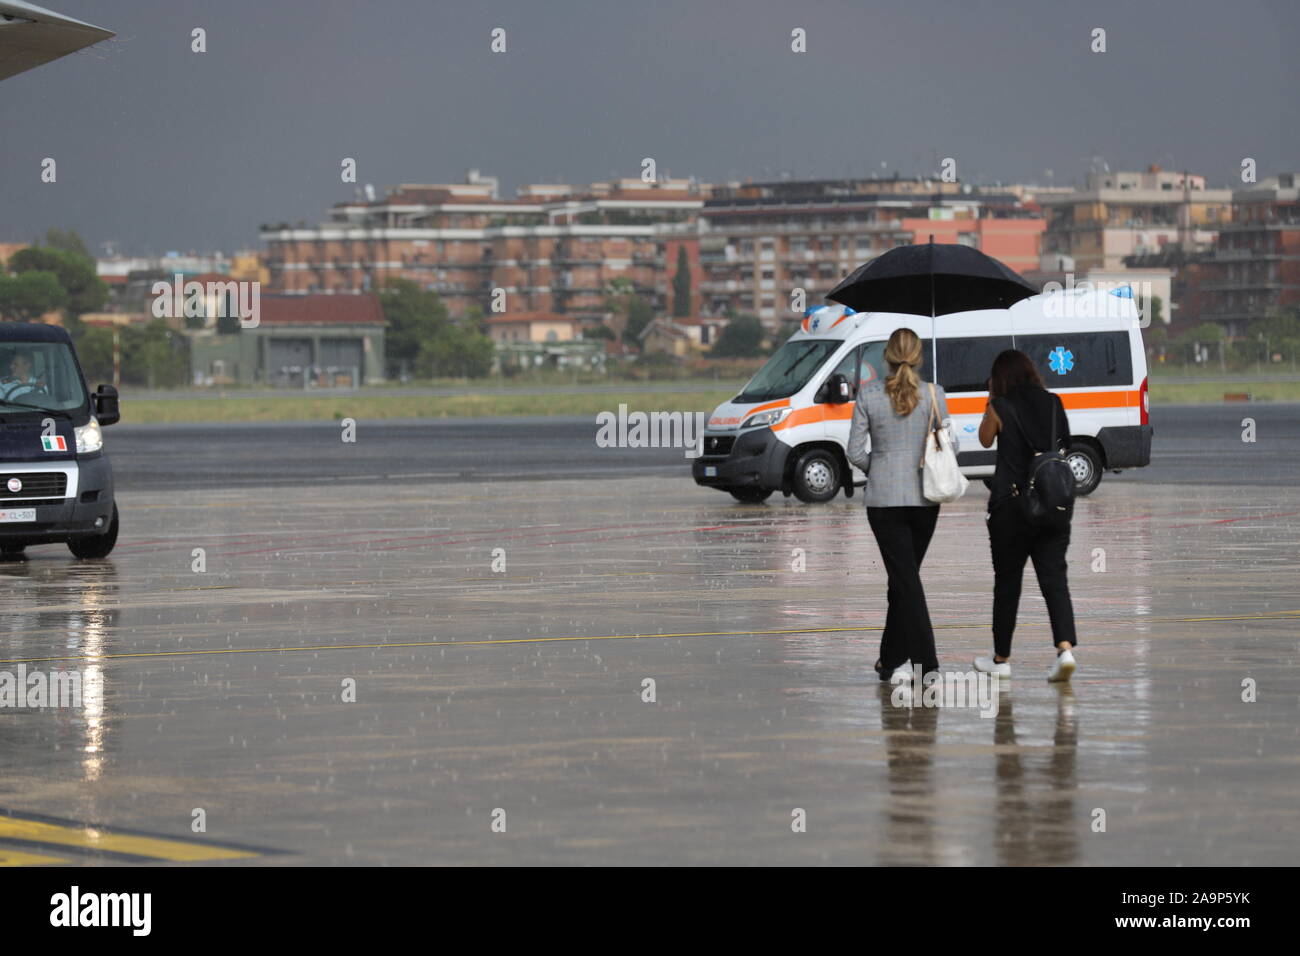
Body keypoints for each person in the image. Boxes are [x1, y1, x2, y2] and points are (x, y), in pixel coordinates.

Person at [847, 327, 956, 684]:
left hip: (883, 501)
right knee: (905, 579)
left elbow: (854, 452)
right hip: (925, 497)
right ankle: (891, 658)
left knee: (904, 581)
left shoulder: (869, 395)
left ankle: (925, 664)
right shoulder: (934, 394)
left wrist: (877, 469)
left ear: (887, 356)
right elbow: (949, 444)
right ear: (919, 356)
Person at [974, 349, 1077, 682]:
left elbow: (985, 438)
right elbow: (1063, 442)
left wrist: (991, 402)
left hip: (1011, 507)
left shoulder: (1000, 405)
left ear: (999, 377)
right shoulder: (1053, 402)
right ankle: (1064, 650)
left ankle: (1001, 659)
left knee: (1007, 585)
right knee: (1054, 579)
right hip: (1050, 503)